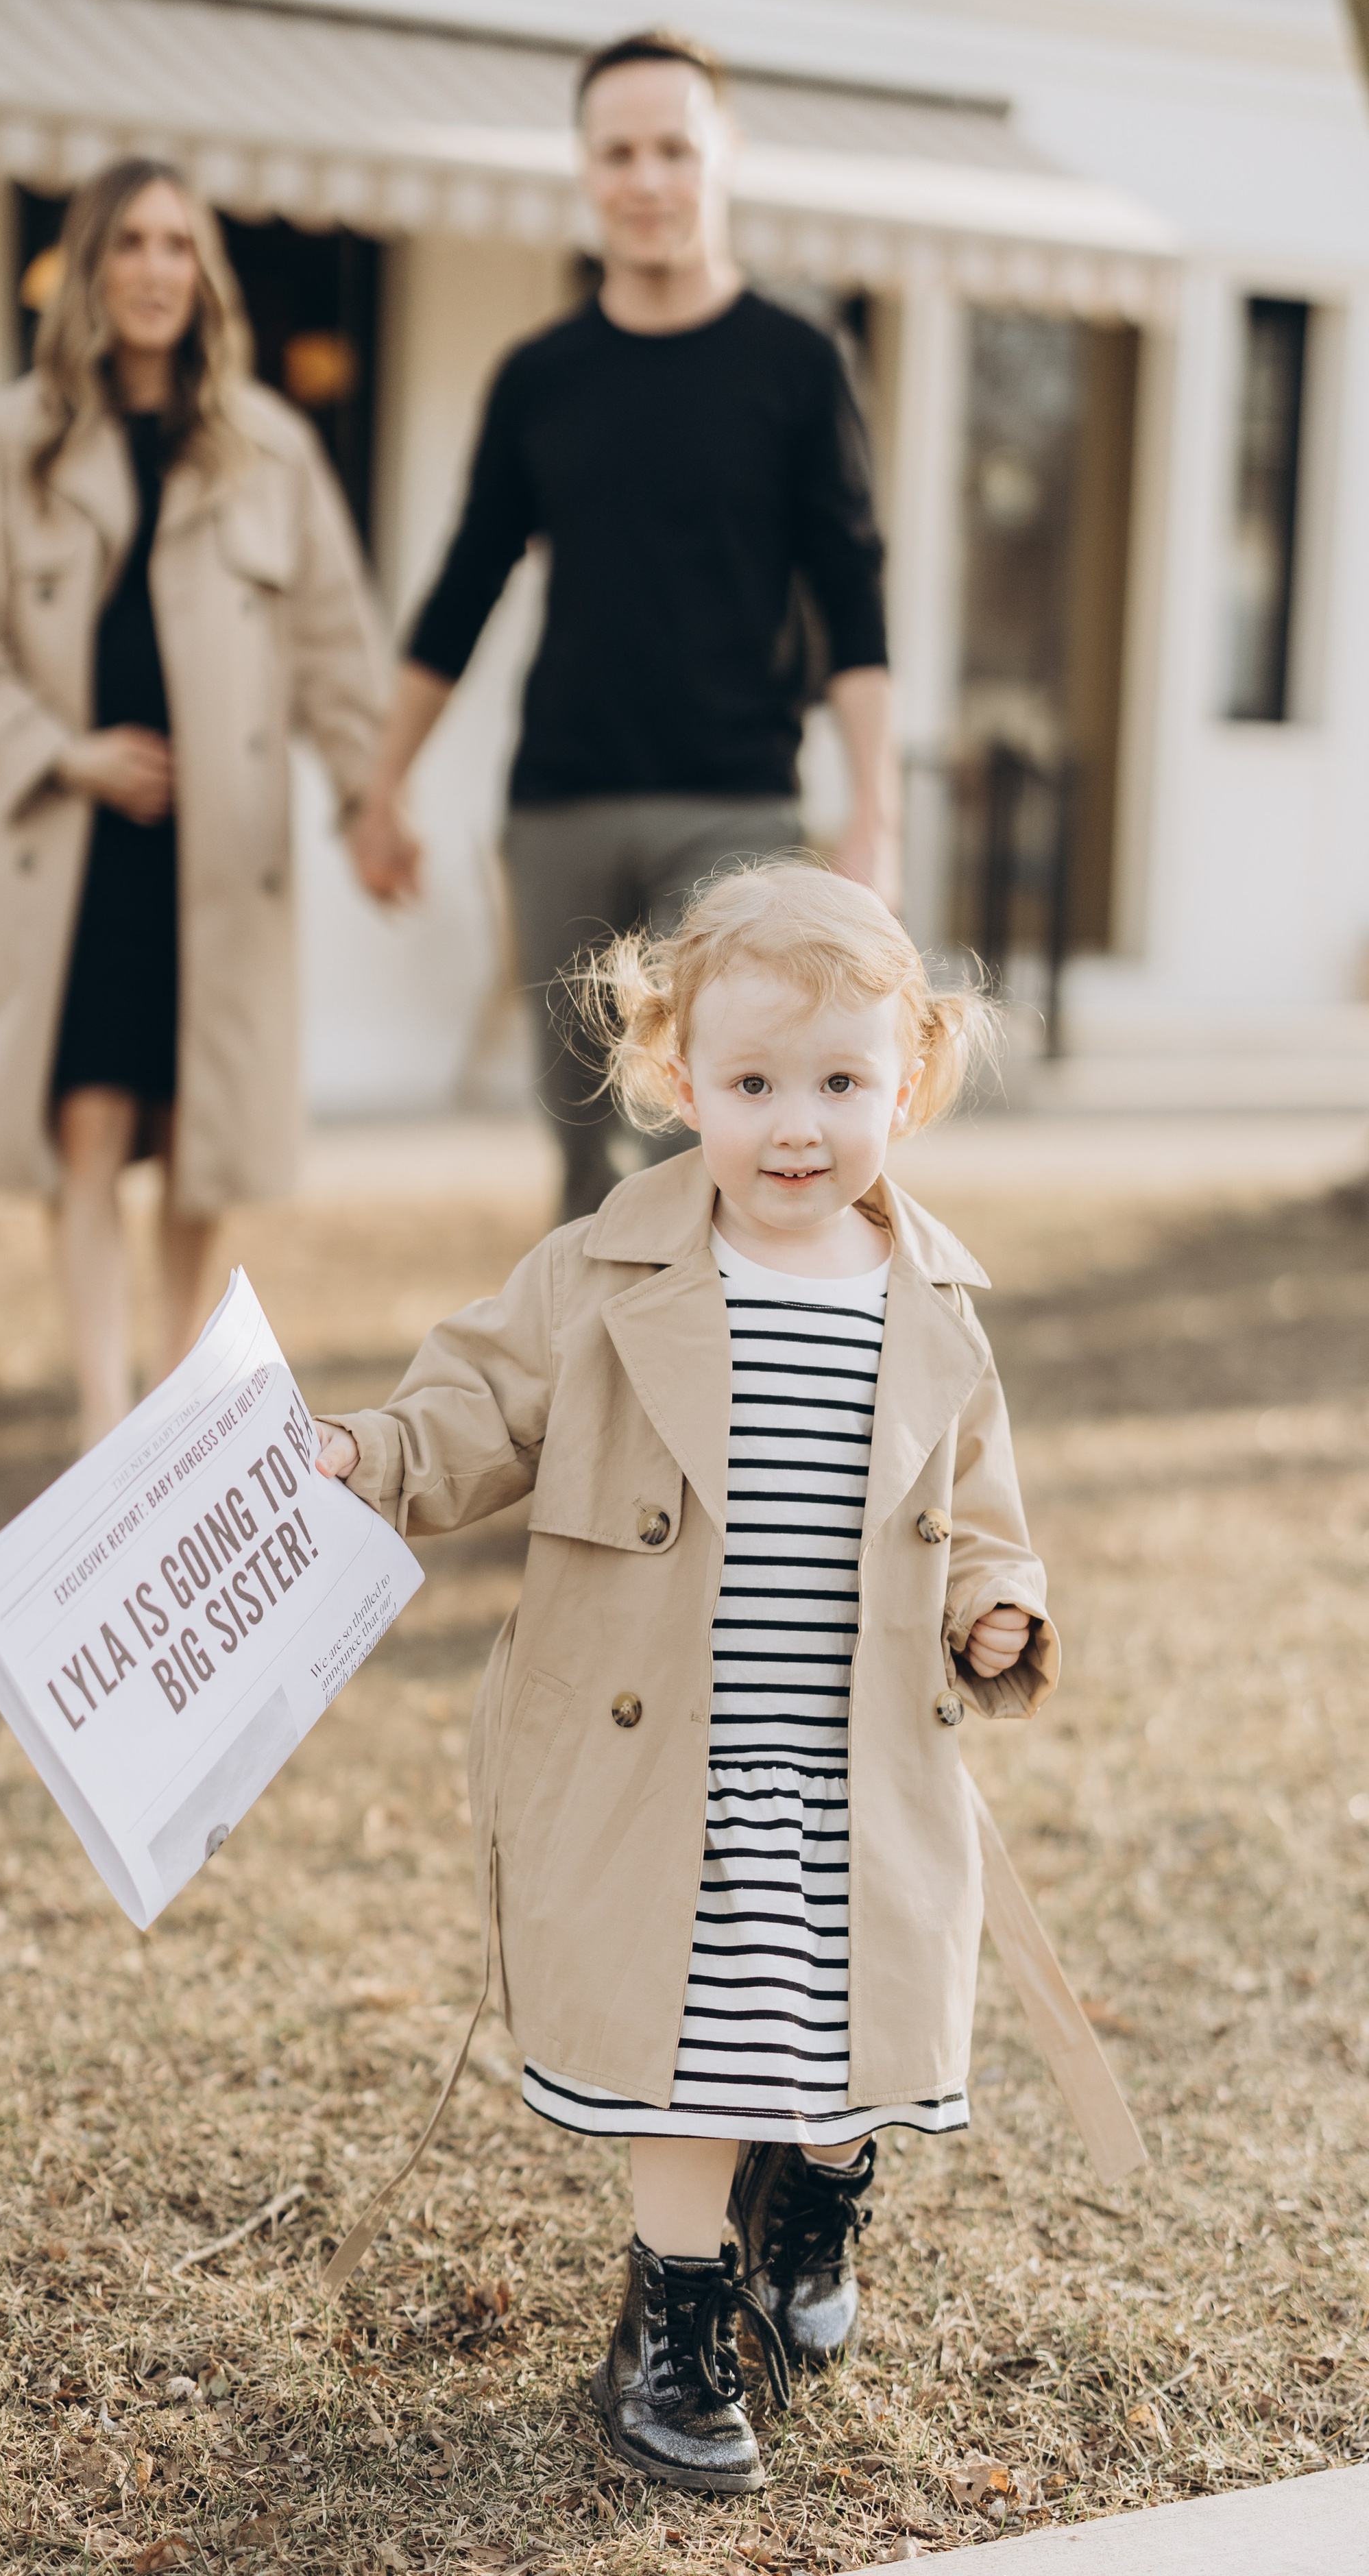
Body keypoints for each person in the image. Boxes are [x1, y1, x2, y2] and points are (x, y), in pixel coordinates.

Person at [314, 865, 1056, 2494]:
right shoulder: (604, 1273)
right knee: (693, 2043)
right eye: (751, 1085)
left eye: (840, 1085)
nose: (797, 1126)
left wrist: (997, 1611)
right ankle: (673, 2310)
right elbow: (475, 1409)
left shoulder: (929, 1308)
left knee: (841, 2037)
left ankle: (812, 2203)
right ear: (676, 1079)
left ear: (908, 1084)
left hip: (851, 1766)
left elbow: (983, 1519)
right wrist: (369, 1450)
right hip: (671, 1765)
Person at [346, 29, 899, 1222]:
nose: (647, 181)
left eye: (673, 150)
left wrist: (876, 813)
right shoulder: (539, 378)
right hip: (562, 804)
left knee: (712, 1134)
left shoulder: (797, 367)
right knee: (581, 1146)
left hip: (735, 804)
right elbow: (463, 589)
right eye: (619, 154)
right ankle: (590, 1391)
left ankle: (709, 1397)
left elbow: (854, 592)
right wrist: (380, 784)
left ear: (725, 157)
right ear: (587, 170)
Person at [0, 159, 386, 1448]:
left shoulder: (271, 451)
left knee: (200, 1135)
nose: (152, 268)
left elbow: (337, 657)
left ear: (205, 274)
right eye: (127, 242)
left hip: (218, 852)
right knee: (85, 1120)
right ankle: (97, 1418)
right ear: (89, 268)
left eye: (178, 244)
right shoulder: (8, 447)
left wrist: (368, 803)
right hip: (76, 852)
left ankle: (180, 1415)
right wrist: (66, 756)